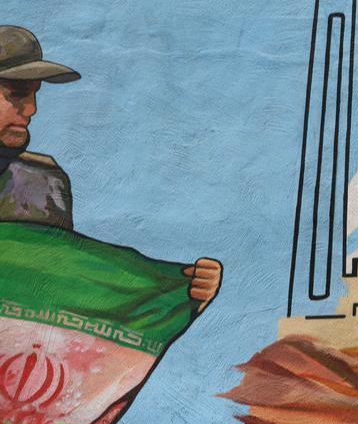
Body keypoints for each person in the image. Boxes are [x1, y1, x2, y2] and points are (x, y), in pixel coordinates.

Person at [0, 25, 221, 309]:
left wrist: (178, 290)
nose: (32, 109)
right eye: (18, 94)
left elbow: (59, 289)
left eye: (34, 94)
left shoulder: (41, 183)